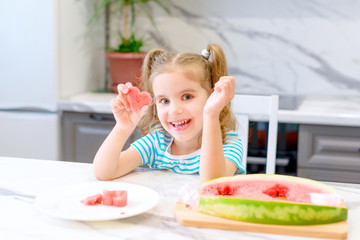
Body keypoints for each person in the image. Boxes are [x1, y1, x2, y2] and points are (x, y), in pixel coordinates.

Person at [93, 43, 246, 182]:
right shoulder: (157, 143)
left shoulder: (229, 144)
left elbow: (212, 183)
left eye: (187, 97)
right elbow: (104, 172)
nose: (174, 110)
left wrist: (211, 114)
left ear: (211, 96)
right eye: (164, 101)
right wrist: (123, 128)